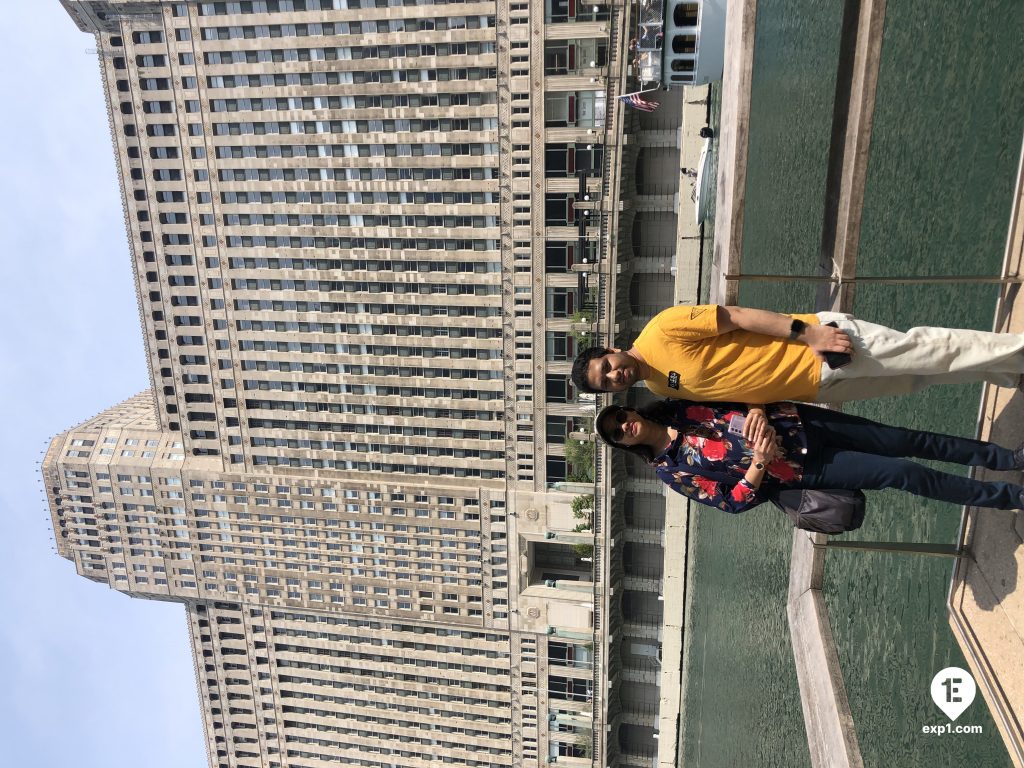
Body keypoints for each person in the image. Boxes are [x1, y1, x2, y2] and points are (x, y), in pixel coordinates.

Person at [596, 400, 1024, 513]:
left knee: (911, 439)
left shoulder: (679, 404)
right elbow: (730, 501)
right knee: (904, 473)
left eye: (620, 416)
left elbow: (741, 390)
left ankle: (1008, 459)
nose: (624, 425)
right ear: (624, 445)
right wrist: (759, 462)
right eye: (618, 433)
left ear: (628, 409)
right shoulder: (673, 473)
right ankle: (1009, 498)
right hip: (805, 469)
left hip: (805, 423)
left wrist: (758, 412)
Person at [572, 304, 1024, 404]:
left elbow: (739, 316)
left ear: (612, 349)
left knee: (928, 350)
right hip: (818, 387)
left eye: (607, 366)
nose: (614, 376)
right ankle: (1008, 369)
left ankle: (1017, 350)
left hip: (822, 349)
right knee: (918, 377)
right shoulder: (655, 385)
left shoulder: (662, 329)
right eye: (606, 382)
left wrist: (809, 334)